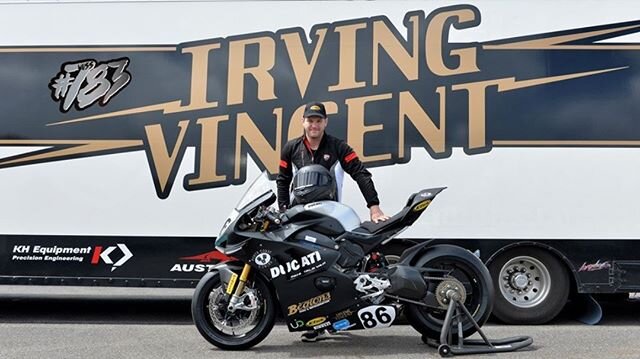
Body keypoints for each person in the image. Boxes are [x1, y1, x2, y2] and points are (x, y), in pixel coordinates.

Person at [276, 101, 389, 223]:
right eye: (310, 121)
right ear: (303, 121)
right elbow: (283, 180)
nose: (314, 125)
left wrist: (374, 207)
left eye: (318, 121)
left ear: (326, 122)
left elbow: (360, 174)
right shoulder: (290, 148)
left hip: (330, 216)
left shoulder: (339, 147)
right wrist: (284, 212)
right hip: (298, 216)